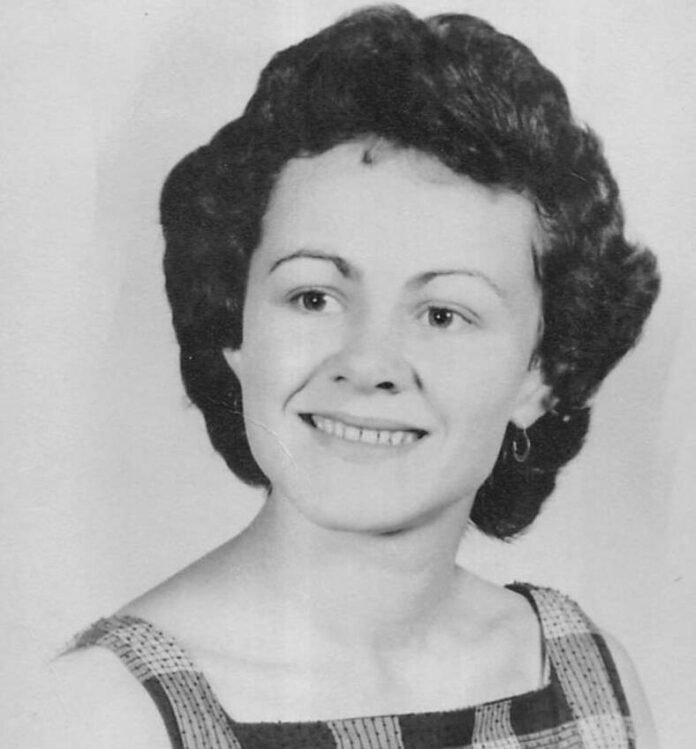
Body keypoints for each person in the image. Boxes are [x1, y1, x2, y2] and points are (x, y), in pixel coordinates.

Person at [58, 5, 660, 748]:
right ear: (234, 330)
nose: (368, 364)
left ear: (543, 374)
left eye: (443, 313)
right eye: (313, 297)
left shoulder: (591, 677)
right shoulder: (105, 713)